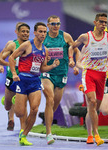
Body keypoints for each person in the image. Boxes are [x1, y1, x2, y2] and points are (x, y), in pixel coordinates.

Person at [70, 13, 108, 146]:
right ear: (95, 22)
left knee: (95, 108)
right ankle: (95, 135)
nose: (103, 24)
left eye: (105, 23)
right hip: (89, 74)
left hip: (103, 76)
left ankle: (90, 134)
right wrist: (72, 61)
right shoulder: (86, 38)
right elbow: (72, 47)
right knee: (91, 101)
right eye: (101, 22)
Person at [8, 22, 60, 146]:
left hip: (35, 82)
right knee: (19, 113)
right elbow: (11, 58)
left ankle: (24, 135)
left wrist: (52, 66)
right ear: (35, 33)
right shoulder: (27, 45)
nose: (42, 34)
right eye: (40, 32)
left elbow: (42, 68)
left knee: (34, 109)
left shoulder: (45, 50)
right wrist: (14, 74)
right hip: (23, 80)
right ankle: (16, 99)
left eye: (44, 32)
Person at [40, 15, 80, 145]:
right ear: (48, 25)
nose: (55, 26)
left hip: (62, 74)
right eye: (53, 24)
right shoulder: (43, 38)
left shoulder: (66, 36)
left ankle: (48, 121)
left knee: (54, 104)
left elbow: (75, 49)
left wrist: (75, 62)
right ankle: (48, 133)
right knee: (49, 99)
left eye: (57, 24)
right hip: (47, 73)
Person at [80, 27, 108, 144]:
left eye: (106, 34)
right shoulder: (88, 44)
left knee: (104, 110)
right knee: (91, 106)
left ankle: (92, 127)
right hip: (89, 77)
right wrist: (81, 67)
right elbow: (80, 60)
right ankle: (90, 135)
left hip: (104, 79)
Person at [0, 22, 30, 131]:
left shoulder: (31, 45)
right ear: (17, 32)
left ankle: (23, 130)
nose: (25, 33)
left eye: (27, 31)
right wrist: (3, 65)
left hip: (23, 78)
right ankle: (8, 104)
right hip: (11, 77)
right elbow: (1, 57)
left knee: (21, 102)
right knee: (8, 105)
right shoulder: (11, 44)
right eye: (22, 31)